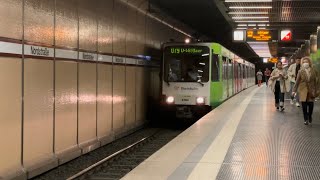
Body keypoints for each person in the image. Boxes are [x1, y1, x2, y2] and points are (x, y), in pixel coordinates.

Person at [292, 57, 320, 125]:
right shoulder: (300, 71)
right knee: (304, 106)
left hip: (311, 90)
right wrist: (294, 91)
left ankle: (309, 115)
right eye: (304, 62)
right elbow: (297, 82)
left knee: (310, 105)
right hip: (302, 90)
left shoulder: (314, 70)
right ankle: (305, 119)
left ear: (309, 62)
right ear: (302, 63)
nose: (305, 63)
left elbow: (317, 81)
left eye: (306, 62)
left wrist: (317, 89)